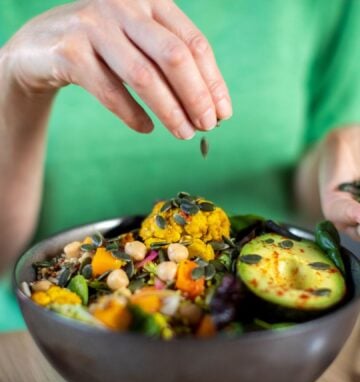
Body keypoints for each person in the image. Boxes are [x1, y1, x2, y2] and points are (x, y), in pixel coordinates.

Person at [0, 0, 360, 330]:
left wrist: (337, 169)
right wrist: (14, 79)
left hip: (269, 340)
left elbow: (311, 199)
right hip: (37, 348)